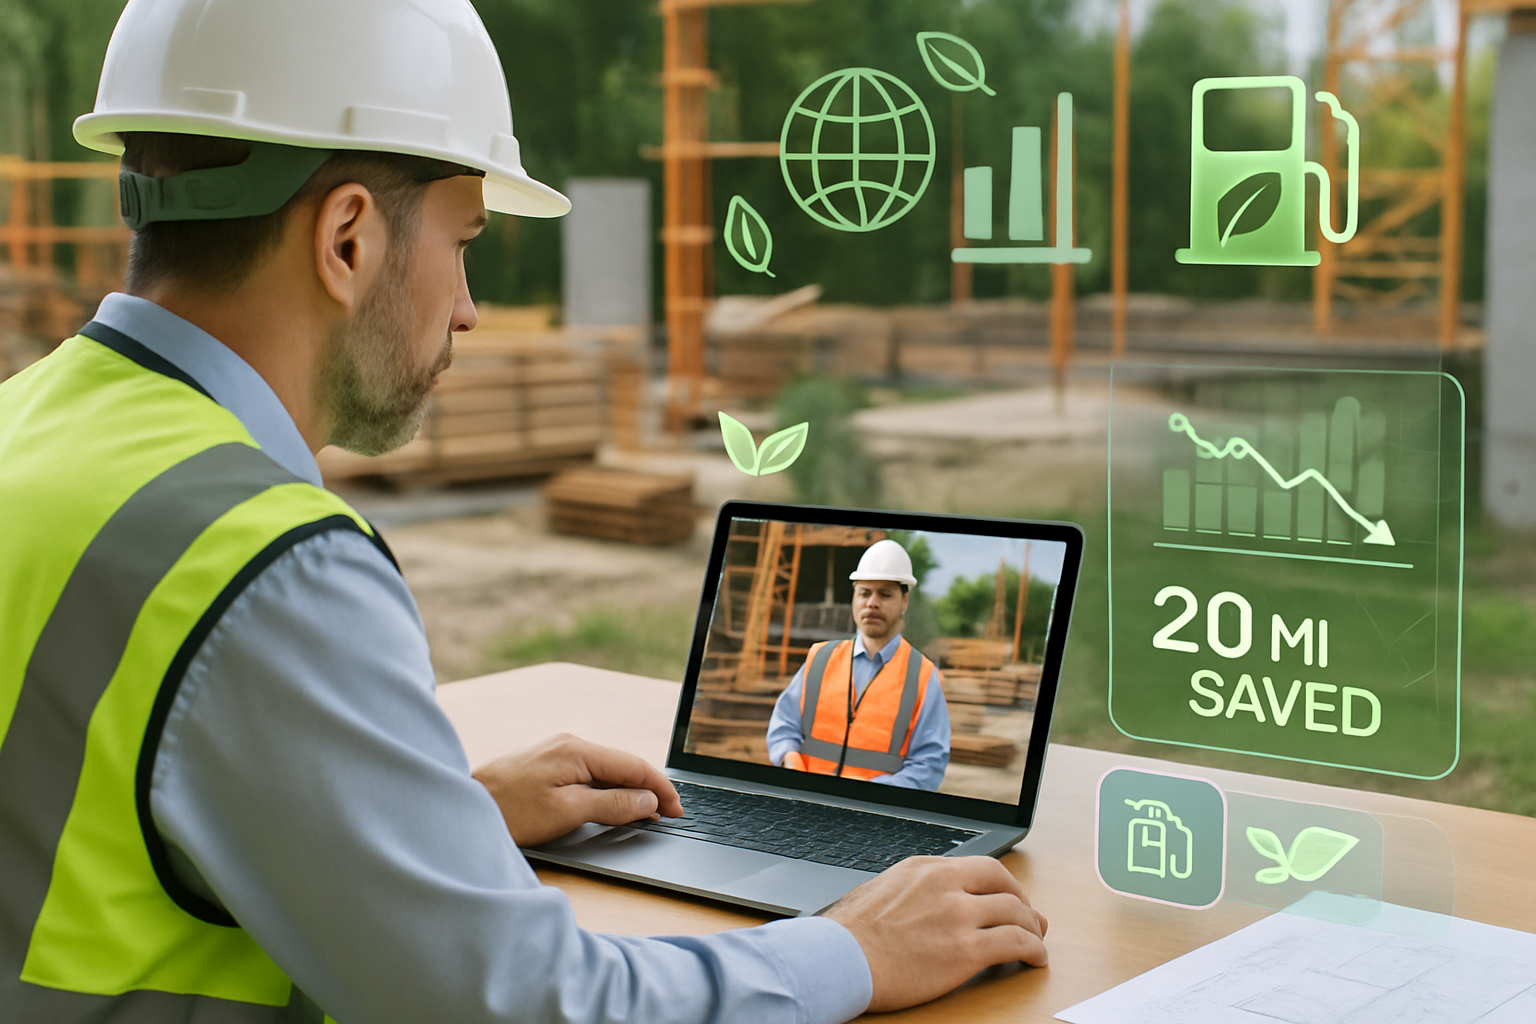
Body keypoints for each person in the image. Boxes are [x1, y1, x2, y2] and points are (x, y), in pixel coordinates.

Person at [0, 1, 1047, 1021]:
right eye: (464, 242)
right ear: (348, 239)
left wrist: (427, 826)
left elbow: (87, 805)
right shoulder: (264, 561)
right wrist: (855, 949)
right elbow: (529, 1004)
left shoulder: (29, 426)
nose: (467, 307)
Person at [766, 540, 952, 790]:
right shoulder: (820, 658)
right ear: (854, 597)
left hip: (874, 811)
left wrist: (870, 794)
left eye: (885, 594)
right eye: (864, 593)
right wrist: (790, 762)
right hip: (803, 801)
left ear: (904, 601)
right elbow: (783, 726)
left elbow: (928, 766)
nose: (872, 602)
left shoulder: (923, 676)